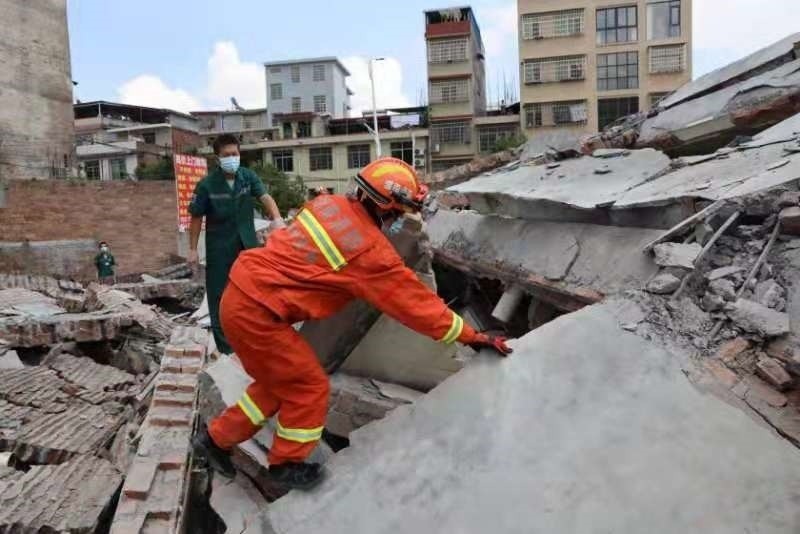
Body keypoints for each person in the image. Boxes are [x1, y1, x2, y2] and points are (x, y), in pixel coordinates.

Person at [192, 157, 512, 491]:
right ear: (388, 207)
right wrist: (471, 336)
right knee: (309, 386)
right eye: (401, 212)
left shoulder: (326, 204)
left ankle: (215, 440)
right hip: (259, 315)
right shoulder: (369, 251)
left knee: (278, 385)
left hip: (241, 296)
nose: (401, 219)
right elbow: (415, 305)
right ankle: (285, 465)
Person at [188, 134, 284, 355]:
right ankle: (226, 349)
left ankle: (254, 339)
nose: (232, 158)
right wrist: (192, 249)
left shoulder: (247, 177)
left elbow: (265, 197)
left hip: (247, 245)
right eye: (227, 155)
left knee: (253, 291)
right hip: (219, 247)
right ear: (217, 158)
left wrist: (277, 219)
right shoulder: (206, 185)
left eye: (235, 154)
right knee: (219, 295)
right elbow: (195, 217)